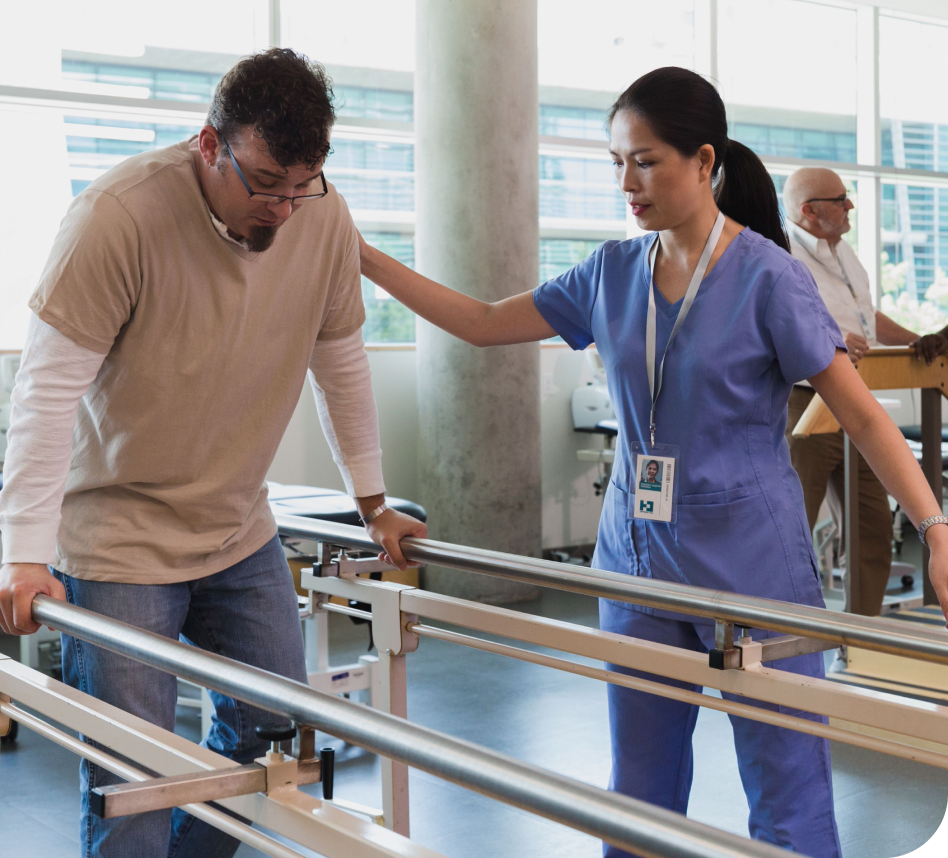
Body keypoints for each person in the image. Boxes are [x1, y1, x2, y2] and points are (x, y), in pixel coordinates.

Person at [358, 66, 948, 858]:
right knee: (638, 794)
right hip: (636, 561)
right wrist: (362, 256)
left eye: (645, 161)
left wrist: (935, 529)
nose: (626, 183)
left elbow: (864, 416)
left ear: (703, 162)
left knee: (788, 795)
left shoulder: (769, 278)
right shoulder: (609, 272)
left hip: (753, 565)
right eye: (616, 163)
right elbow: (481, 321)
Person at [0, 48, 426, 858]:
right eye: (264, 184)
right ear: (209, 145)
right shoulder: (117, 217)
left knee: (272, 731)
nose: (284, 210)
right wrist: (23, 555)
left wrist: (373, 502)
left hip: (238, 529)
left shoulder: (322, 217)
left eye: (302, 185)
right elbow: (45, 393)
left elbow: (340, 363)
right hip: (120, 542)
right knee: (133, 777)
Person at [782, 167, 919, 616]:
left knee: (871, 526)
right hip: (805, 401)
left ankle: (859, 636)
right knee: (792, 528)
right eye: (841, 199)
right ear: (809, 210)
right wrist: (830, 339)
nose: (850, 206)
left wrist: (916, 341)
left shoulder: (846, 254)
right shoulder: (780, 255)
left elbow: (866, 319)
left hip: (856, 400)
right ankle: (778, 630)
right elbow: (778, 327)